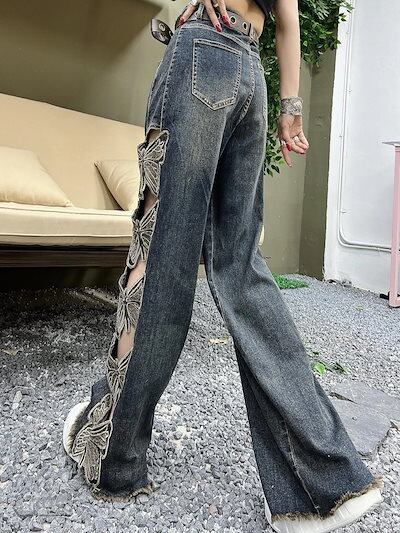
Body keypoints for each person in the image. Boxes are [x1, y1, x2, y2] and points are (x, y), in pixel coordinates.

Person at [62, 0, 384, 531]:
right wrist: (290, 108)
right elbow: (288, 20)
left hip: (201, 57)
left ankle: (114, 457)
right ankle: (328, 483)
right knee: (242, 273)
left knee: (160, 255)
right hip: (252, 78)